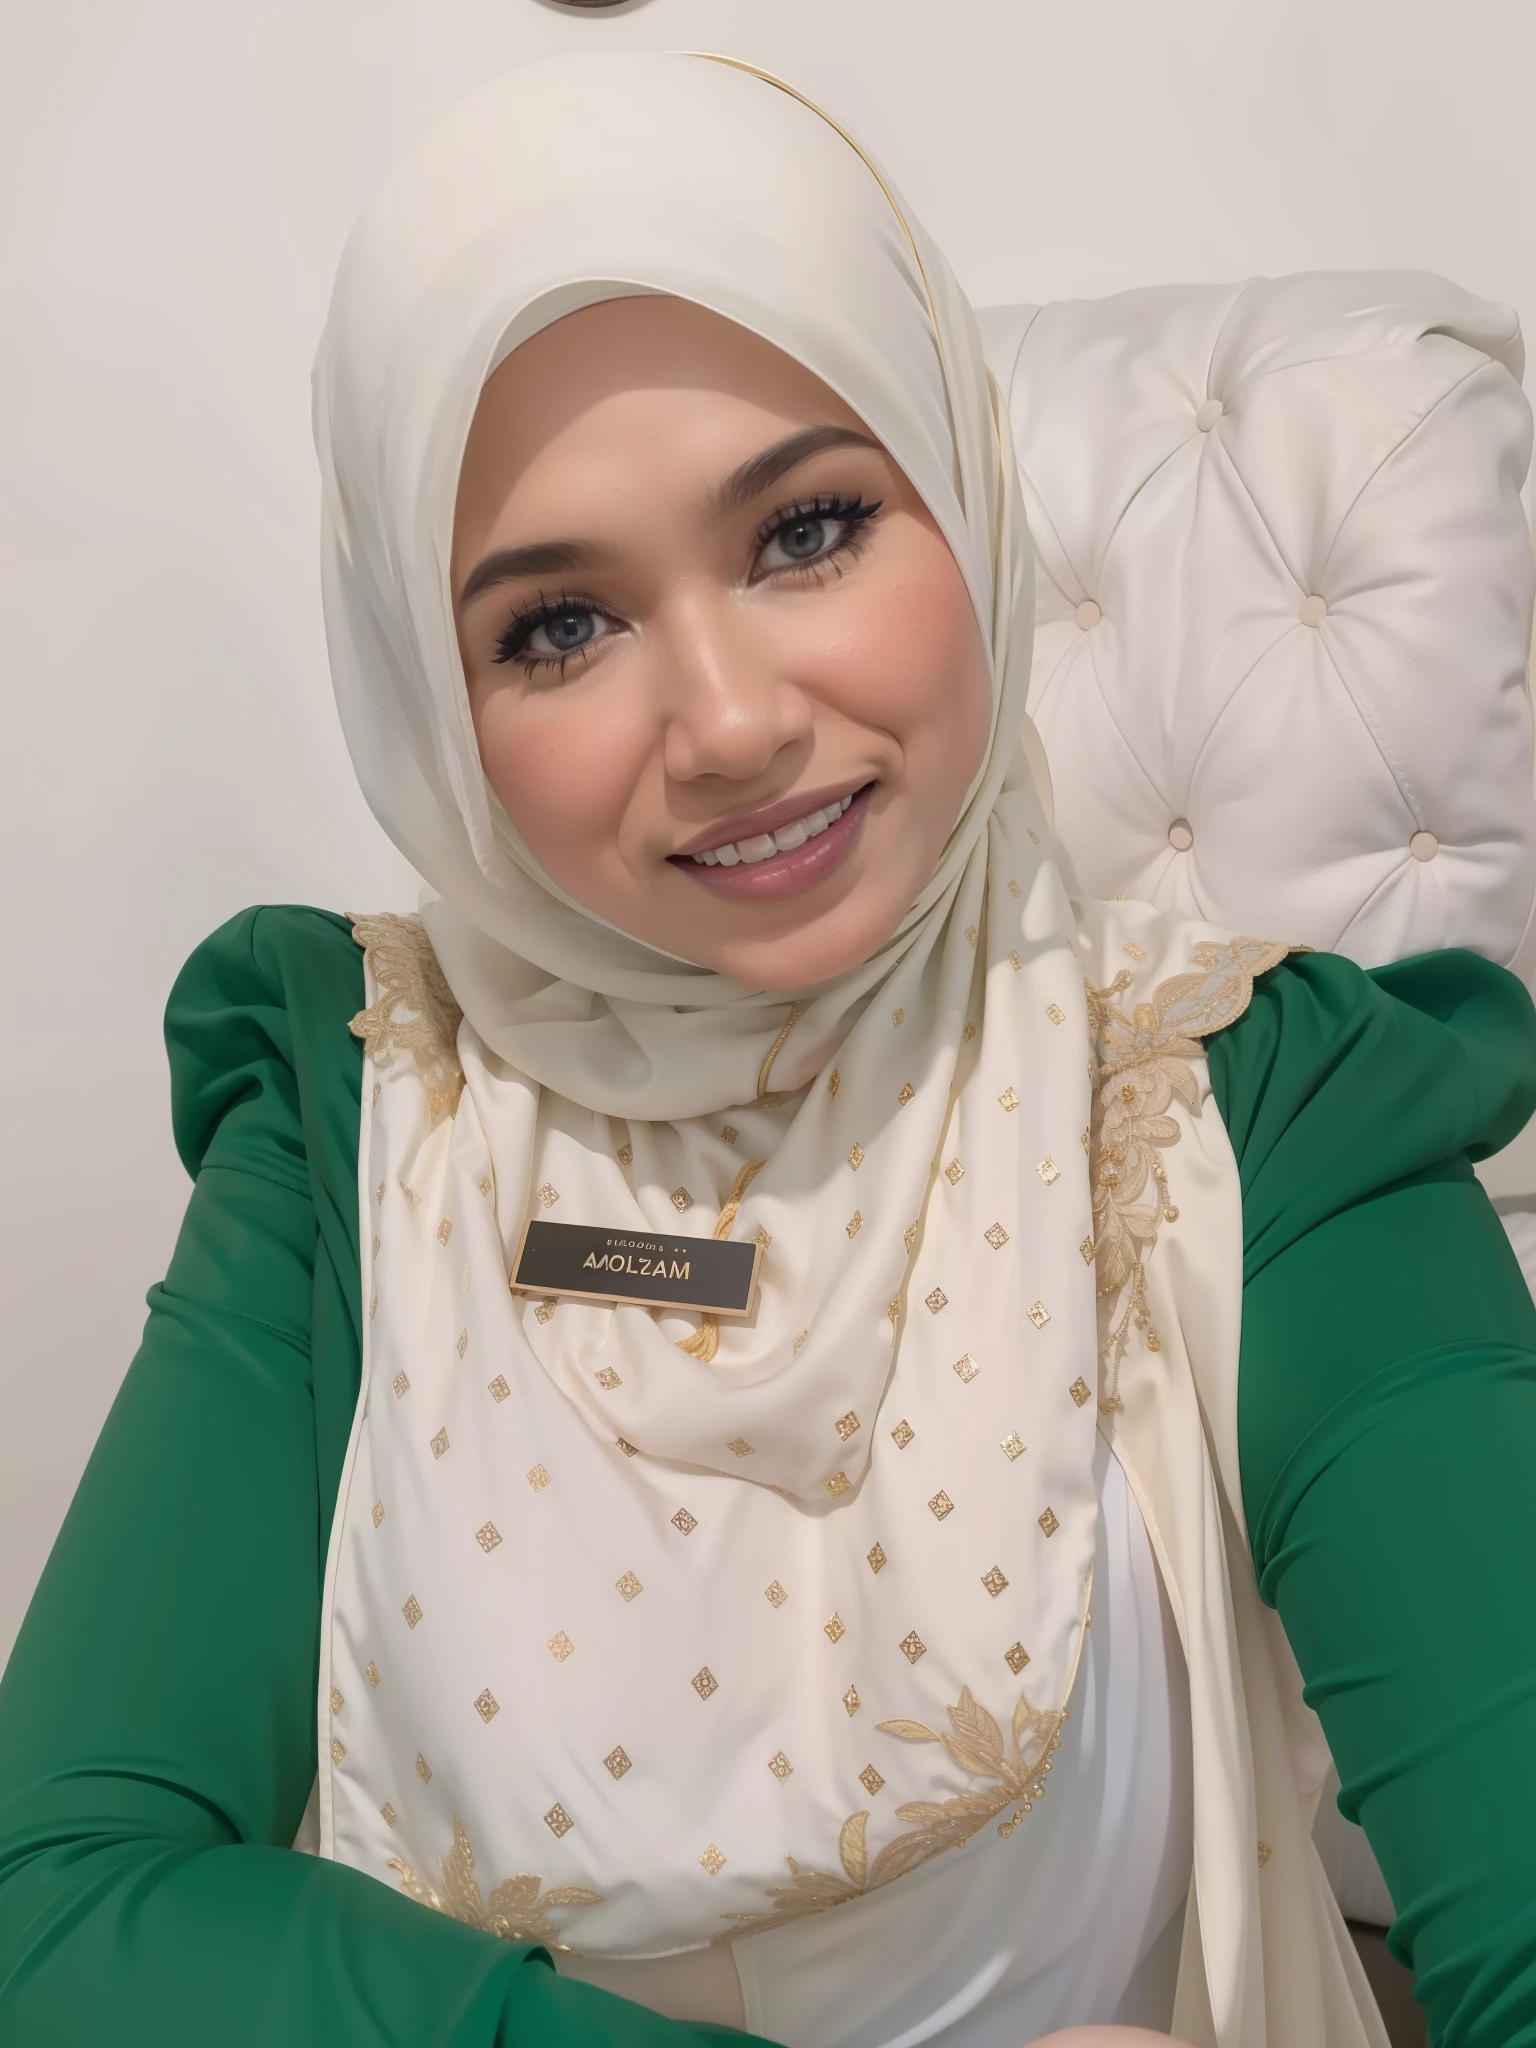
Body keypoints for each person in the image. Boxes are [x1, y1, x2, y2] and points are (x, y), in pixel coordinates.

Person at [1, 47, 1534, 2048]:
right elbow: (57, 1909)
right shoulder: (351, 1104)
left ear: (961, 496)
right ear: (434, 708)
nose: (729, 723)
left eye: (806, 529)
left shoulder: (1255, 1102)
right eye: (559, 627)